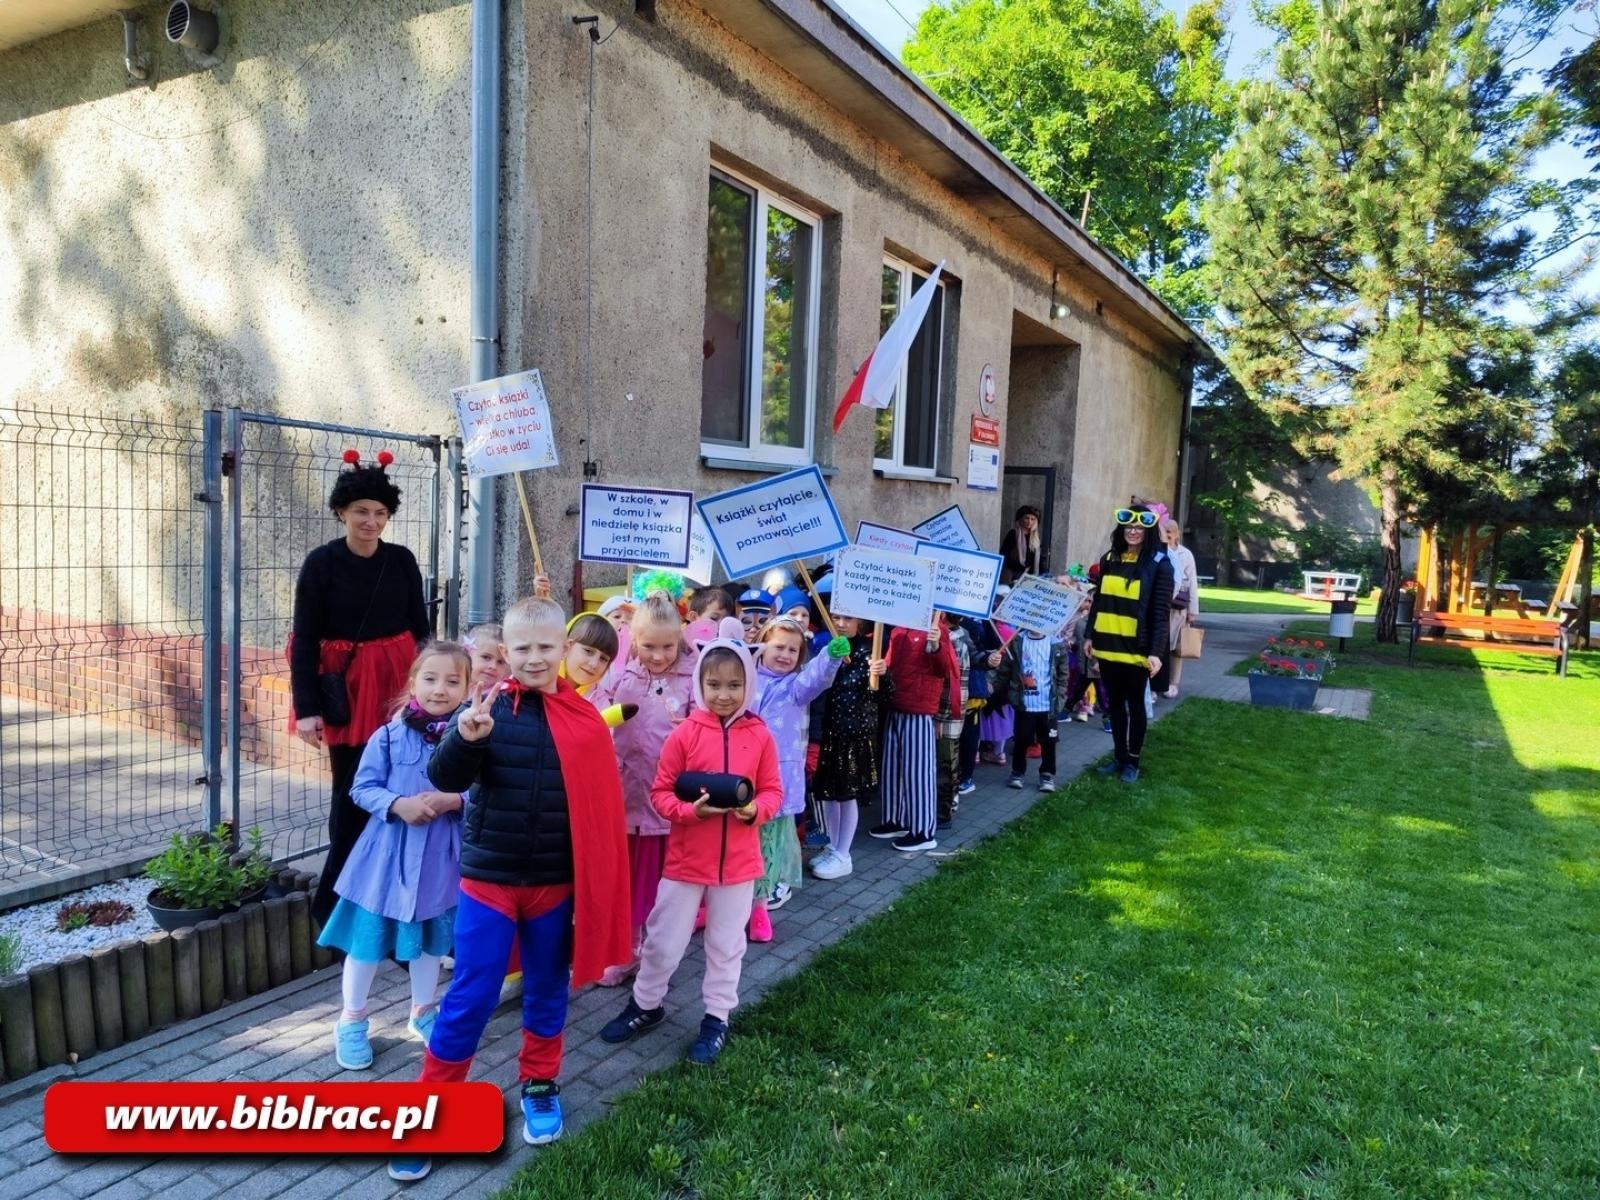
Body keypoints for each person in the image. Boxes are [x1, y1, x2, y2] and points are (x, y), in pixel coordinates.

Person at [387, 597, 630, 1185]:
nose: (535, 658)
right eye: (521, 649)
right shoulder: (485, 709)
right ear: (506, 653)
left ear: (565, 649)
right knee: (471, 993)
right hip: (490, 882)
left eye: (547, 647)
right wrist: (467, 738)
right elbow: (446, 778)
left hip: (553, 885)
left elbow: (597, 809)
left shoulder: (584, 718)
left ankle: (540, 1084)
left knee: (549, 987)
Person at [598, 617, 782, 1065]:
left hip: (738, 866)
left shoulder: (759, 735)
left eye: (735, 685)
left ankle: (717, 1017)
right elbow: (661, 793)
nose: (724, 694)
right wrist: (689, 812)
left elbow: (774, 791)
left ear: (748, 684)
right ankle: (646, 1005)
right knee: (662, 939)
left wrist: (756, 809)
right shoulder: (684, 734)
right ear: (700, 684)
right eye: (714, 684)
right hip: (684, 861)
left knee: (725, 945)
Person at [289, 450, 431, 928]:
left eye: (380, 513)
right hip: (348, 691)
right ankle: (332, 906)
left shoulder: (402, 560)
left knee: (402, 779)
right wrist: (308, 708)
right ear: (342, 513)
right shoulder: (321, 564)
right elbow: (305, 638)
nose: (370, 521)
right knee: (352, 791)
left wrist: (430, 687)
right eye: (361, 512)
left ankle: (386, 896)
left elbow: (422, 627)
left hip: (399, 683)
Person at [320, 641, 469, 1071]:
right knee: (366, 944)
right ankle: (351, 1019)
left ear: (467, 687)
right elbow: (361, 788)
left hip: (440, 864)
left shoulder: (471, 739)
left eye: (452, 681)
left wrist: (452, 800)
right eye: (430, 678)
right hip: (383, 864)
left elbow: (481, 793)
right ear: (412, 682)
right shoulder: (387, 736)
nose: (440, 689)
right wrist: (397, 804)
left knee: (428, 944)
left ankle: (423, 1011)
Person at [587, 594, 695, 985]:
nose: (658, 654)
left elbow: (703, 732)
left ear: (679, 637)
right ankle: (625, 951)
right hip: (623, 797)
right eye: (648, 645)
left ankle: (656, 957)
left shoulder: (693, 675)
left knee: (658, 890)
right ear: (634, 640)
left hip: (665, 804)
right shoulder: (621, 676)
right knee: (625, 885)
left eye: (667, 645)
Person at [748, 616, 848, 939]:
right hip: (745, 777)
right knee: (742, 842)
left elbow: (816, 679)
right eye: (779, 646)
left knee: (770, 843)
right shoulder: (747, 678)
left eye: (793, 650)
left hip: (777, 780)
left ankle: (761, 903)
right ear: (762, 644)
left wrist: (830, 656)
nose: (785, 654)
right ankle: (731, 899)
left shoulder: (795, 686)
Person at [1083, 506, 1173, 783]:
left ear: (1148, 531)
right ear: (1122, 530)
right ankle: (1119, 756)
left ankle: (1133, 761)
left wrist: (1156, 652)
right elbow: (1098, 601)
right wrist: (1090, 635)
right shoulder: (1109, 558)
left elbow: (1160, 612)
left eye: (1139, 528)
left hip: (1137, 648)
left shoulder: (1159, 563)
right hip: (1108, 644)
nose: (1133, 531)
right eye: (1128, 527)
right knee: (1114, 705)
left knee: (1136, 705)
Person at [870, 614, 961, 852]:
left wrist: (936, 644)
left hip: (920, 710)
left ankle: (923, 831)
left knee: (918, 773)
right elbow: (890, 663)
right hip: (895, 704)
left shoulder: (936, 628)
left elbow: (945, 668)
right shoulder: (900, 627)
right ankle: (895, 819)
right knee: (892, 768)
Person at [809, 615, 888, 880]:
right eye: (836, 617)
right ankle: (833, 845)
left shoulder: (870, 654)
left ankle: (844, 854)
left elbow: (885, 694)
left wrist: (882, 675)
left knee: (847, 795)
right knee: (830, 794)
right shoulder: (831, 649)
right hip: (831, 733)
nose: (840, 623)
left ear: (861, 622)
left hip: (854, 737)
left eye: (847, 618)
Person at [991, 625, 1070, 792]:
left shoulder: (1056, 643)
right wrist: (995, 687)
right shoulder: (1017, 641)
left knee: (1049, 741)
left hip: (1047, 704)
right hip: (1024, 703)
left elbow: (1063, 674)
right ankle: (1017, 772)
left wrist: (1061, 698)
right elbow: (1005, 669)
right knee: (1021, 739)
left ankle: (1047, 774)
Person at [1155, 519, 1200, 698]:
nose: (1167, 535)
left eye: (1170, 532)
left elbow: (1193, 582)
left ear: (1176, 534)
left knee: (1177, 647)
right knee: (1160, 646)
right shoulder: (1157, 551)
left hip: (1178, 608)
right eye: (1164, 532)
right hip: (1161, 605)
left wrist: (1193, 611)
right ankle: (1157, 684)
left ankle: (1173, 683)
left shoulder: (1185, 554)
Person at [999, 505, 1043, 585]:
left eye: (1032, 519)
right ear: (1021, 519)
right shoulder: (1013, 534)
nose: (1029, 521)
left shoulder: (1035, 539)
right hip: (1011, 576)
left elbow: (1036, 561)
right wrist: (1021, 568)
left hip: (1028, 577)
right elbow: (1004, 555)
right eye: (1027, 518)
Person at [463, 623, 506, 693]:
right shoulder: (453, 685)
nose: (493, 666)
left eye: (500, 662)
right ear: (468, 655)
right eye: (486, 657)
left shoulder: (504, 695)